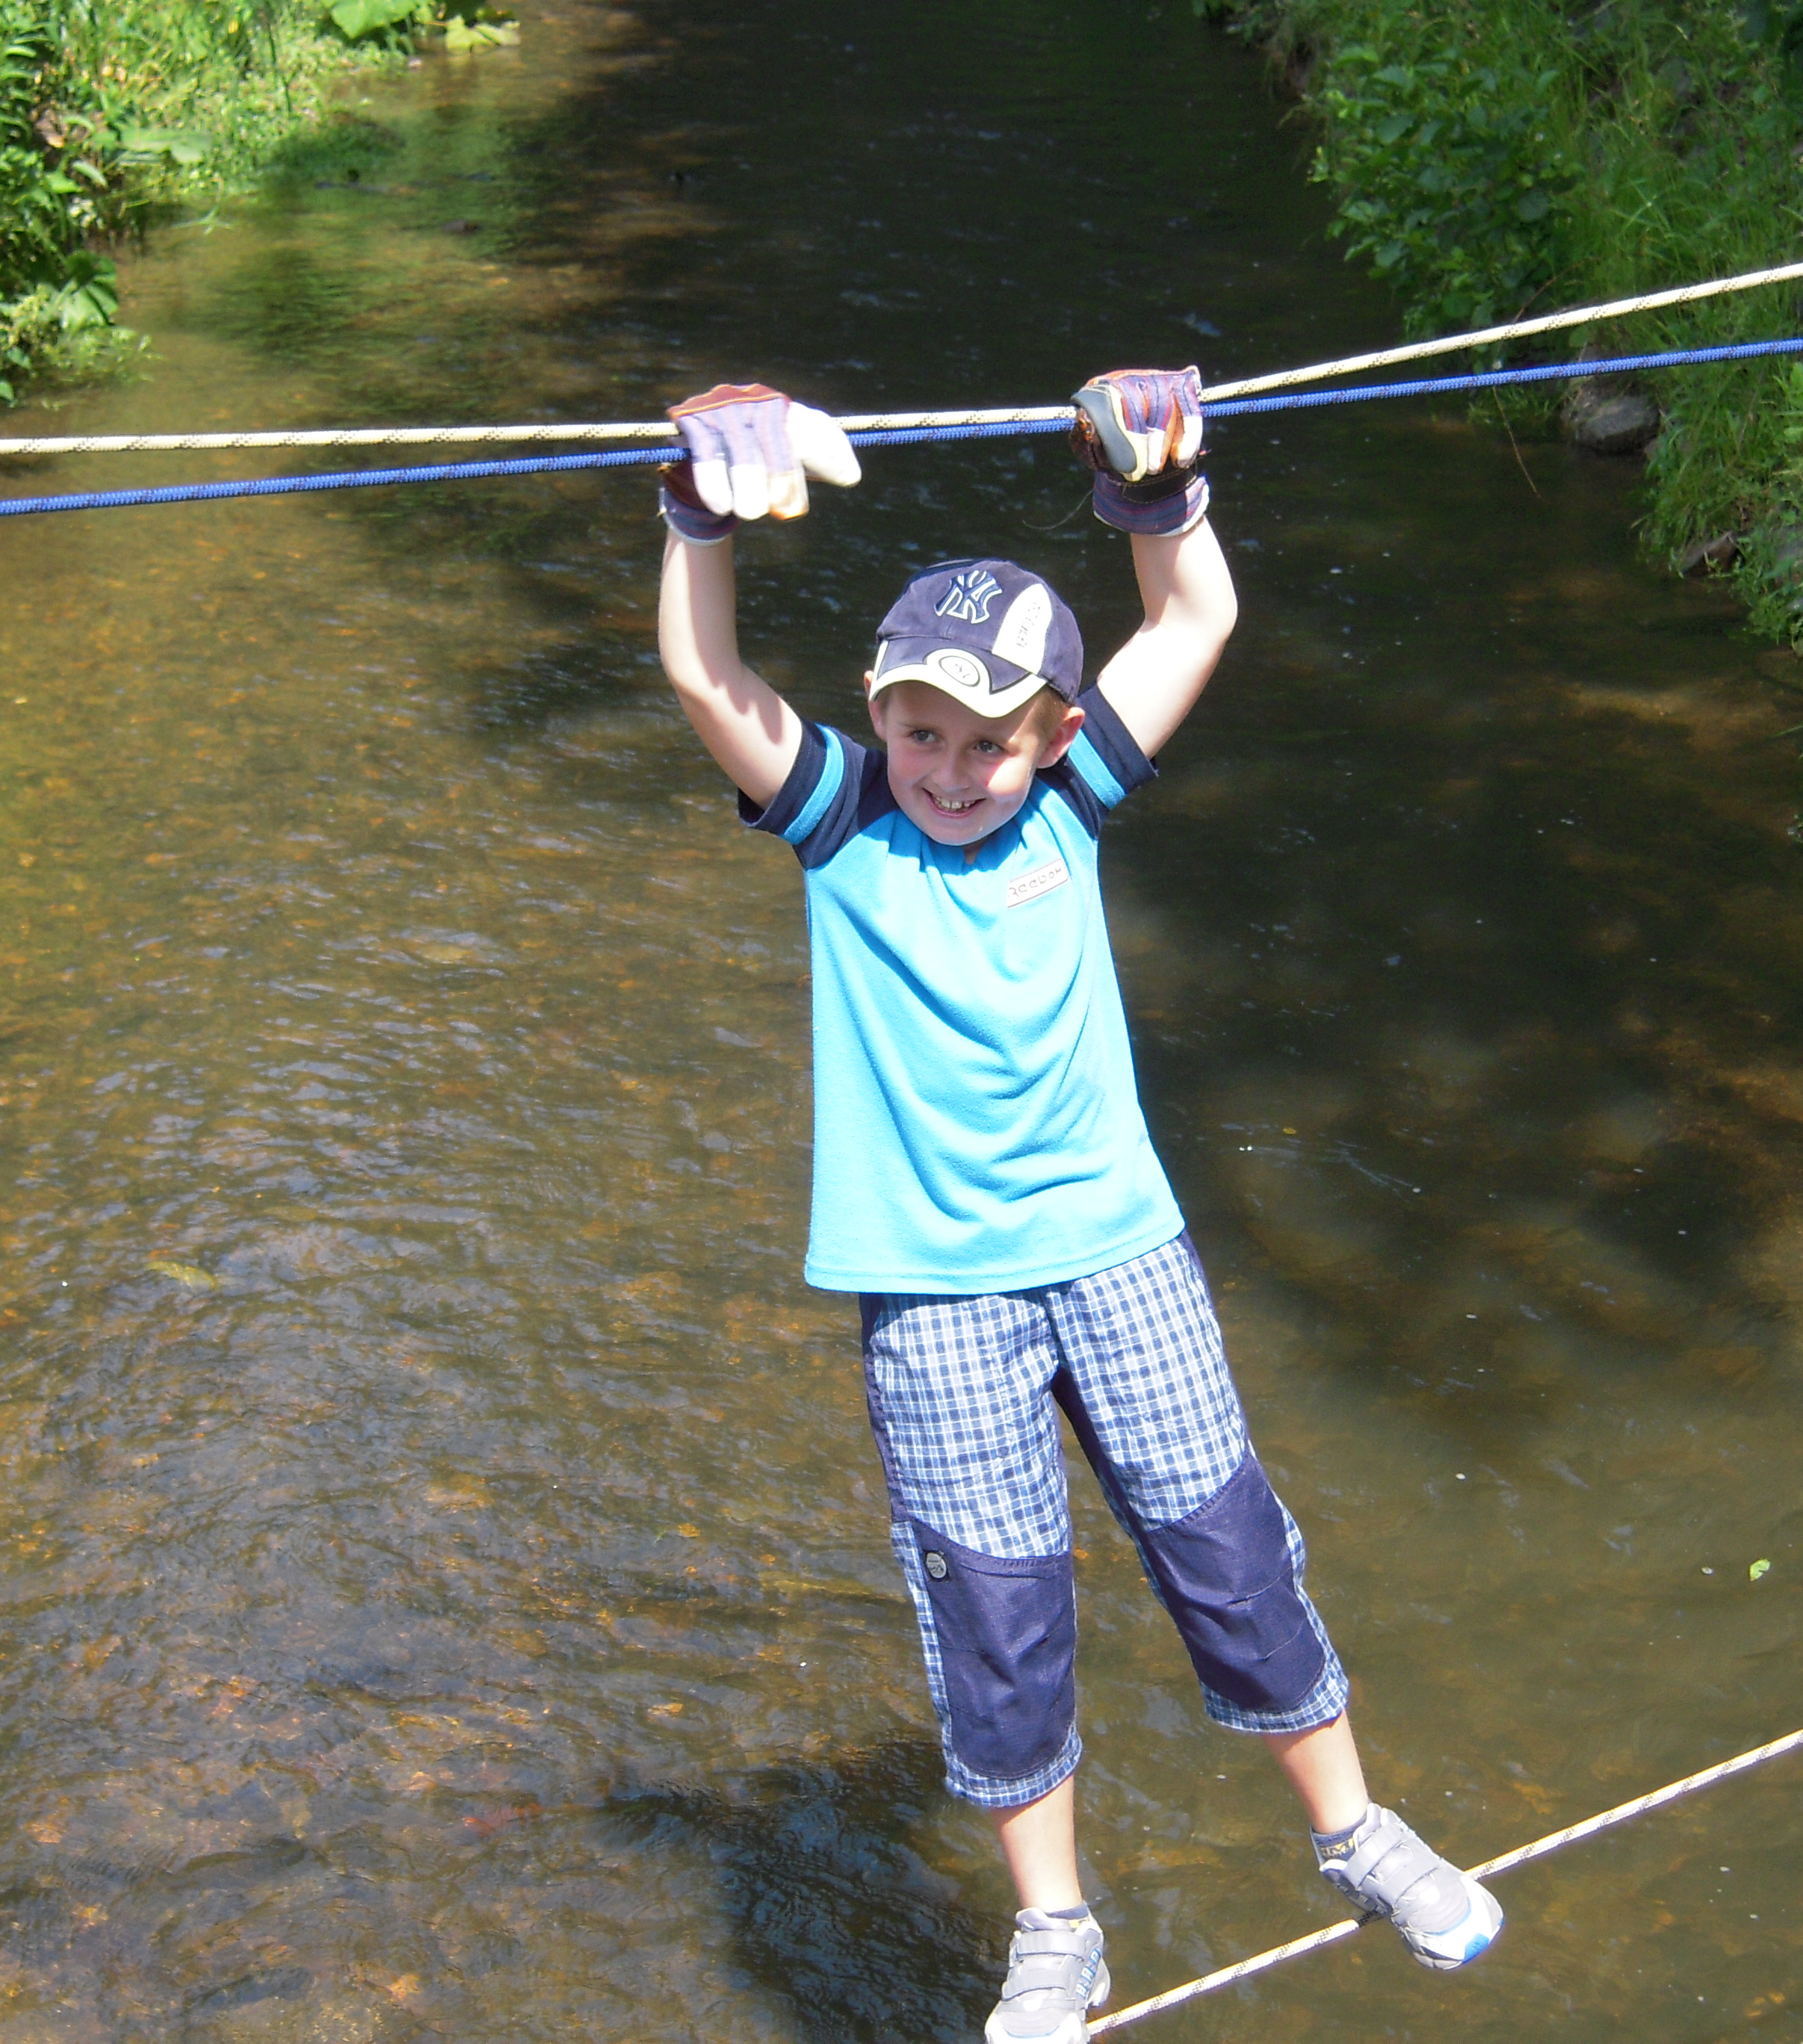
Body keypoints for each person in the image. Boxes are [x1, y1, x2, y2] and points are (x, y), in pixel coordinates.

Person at [651, 371, 1501, 2044]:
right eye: (920, 731)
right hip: (935, 1296)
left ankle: (1354, 1832)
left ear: (1050, 734)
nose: (951, 769)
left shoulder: (1075, 799)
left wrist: (1158, 486)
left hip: (1122, 1256)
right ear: (878, 715)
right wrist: (695, 519)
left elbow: (1195, 617)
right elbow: (705, 673)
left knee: (1229, 1557)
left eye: (988, 739)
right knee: (1002, 1614)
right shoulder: (838, 822)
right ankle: (1058, 1931)